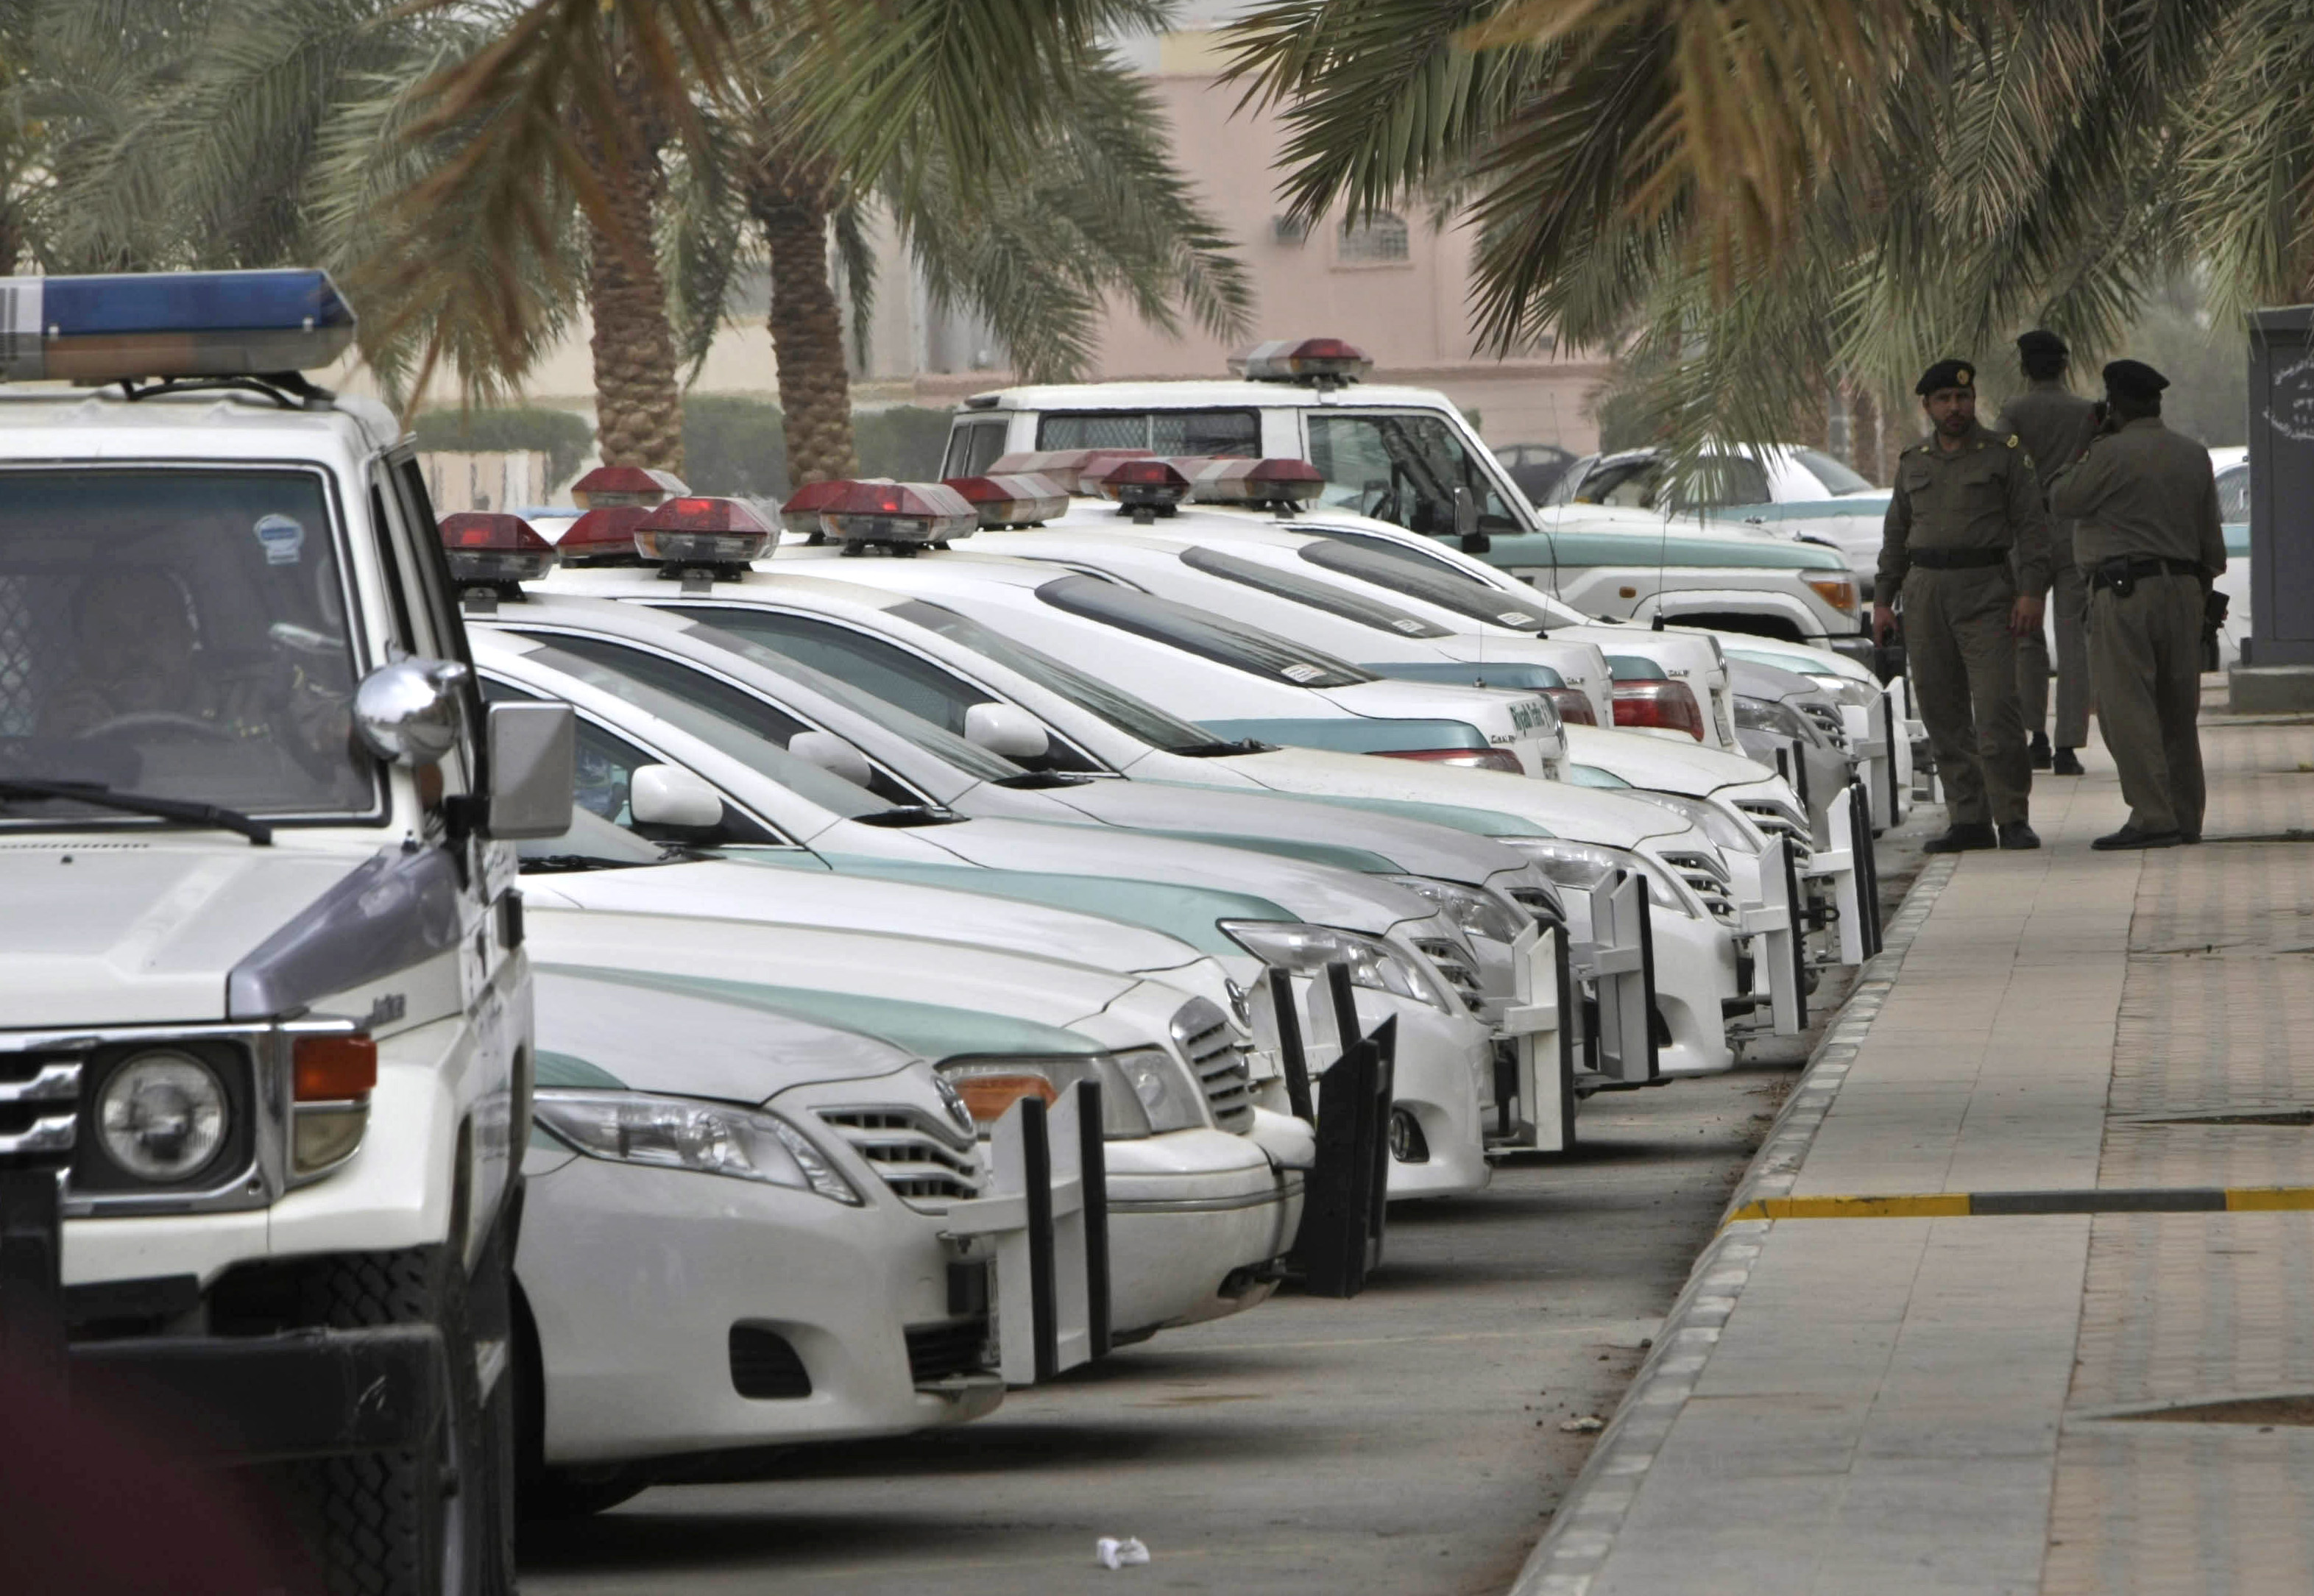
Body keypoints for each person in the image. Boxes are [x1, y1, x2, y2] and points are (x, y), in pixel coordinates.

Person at [1872, 358, 2052, 852]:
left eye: (1964, 398)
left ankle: (2012, 815)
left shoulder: (2004, 454)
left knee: (1997, 709)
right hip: (1926, 590)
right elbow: (1896, 533)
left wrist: (2032, 591)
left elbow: (2033, 527)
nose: (1956, 407)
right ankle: (1968, 818)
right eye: (1945, 399)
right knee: (1942, 711)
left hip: (1987, 590)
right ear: (1927, 406)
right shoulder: (1914, 462)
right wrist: (1884, 599)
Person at [2048, 359, 2226, 850]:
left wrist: (2085, 443)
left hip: (2123, 594)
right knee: (2177, 711)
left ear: (2115, 405)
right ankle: (2185, 816)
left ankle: (2152, 816)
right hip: (2186, 592)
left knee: (2125, 708)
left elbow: (2062, 498)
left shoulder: (2108, 454)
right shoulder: (2194, 455)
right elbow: (2213, 546)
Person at [1994, 330, 2099, 776]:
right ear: (2063, 366)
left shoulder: (2013, 412)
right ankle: (2067, 747)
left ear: (2025, 368)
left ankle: (2035, 736)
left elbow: (2005, 465)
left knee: (2026, 638)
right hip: (2074, 532)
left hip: (2026, 534)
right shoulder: (2086, 413)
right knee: (2075, 641)